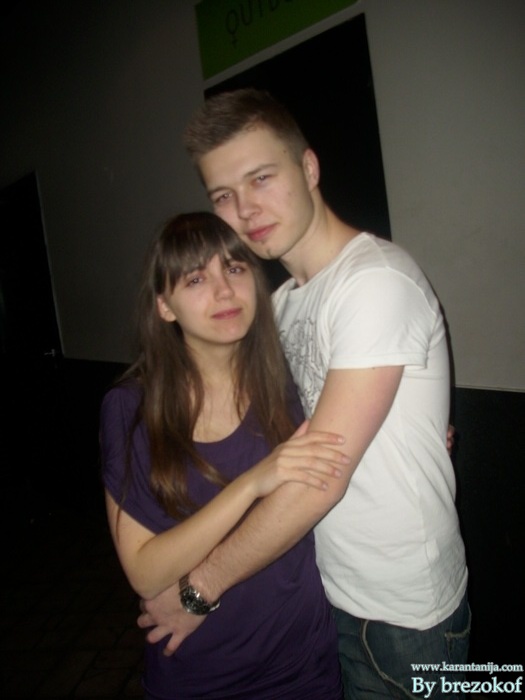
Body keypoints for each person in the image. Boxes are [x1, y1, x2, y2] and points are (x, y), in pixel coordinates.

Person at [139, 89, 470, 699]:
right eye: (223, 196)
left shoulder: (374, 282)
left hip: (402, 617)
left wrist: (198, 590)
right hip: (327, 597)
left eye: (261, 178)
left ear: (309, 168)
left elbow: (323, 476)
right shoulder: (283, 305)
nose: (245, 209)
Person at [100, 211, 347, 699]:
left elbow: (338, 456)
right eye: (196, 279)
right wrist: (252, 483)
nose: (224, 290)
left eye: (234, 269)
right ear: (164, 306)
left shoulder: (290, 381)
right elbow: (145, 573)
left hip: (304, 665)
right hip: (198, 676)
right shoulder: (131, 408)